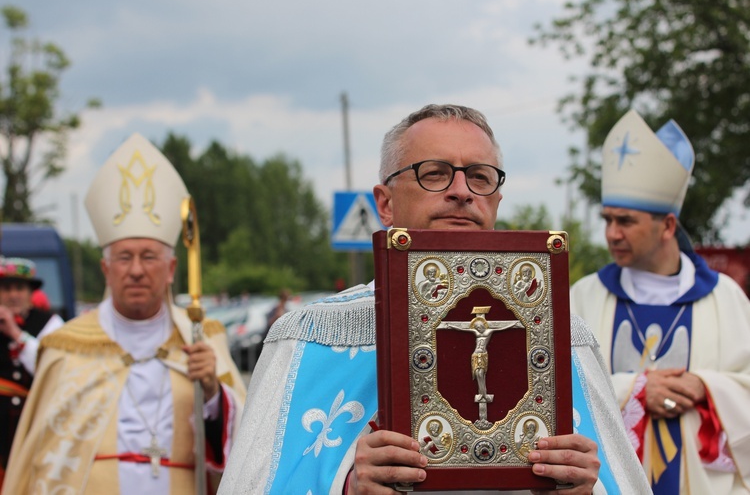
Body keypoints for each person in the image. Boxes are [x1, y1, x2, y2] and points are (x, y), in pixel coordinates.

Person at [219, 104, 650, 494]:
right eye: (436, 172)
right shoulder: (310, 338)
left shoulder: (560, 334)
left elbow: (619, 483)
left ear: (496, 201)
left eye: (479, 176)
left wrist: (581, 490)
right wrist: (349, 486)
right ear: (385, 204)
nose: (462, 190)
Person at [3, 133, 247, 495]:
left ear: (170, 269)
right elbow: (38, 458)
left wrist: (212, 391)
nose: (136, 270)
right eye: (124, 257)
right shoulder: (66, 348)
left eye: (149, 257)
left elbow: (249, 447)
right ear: (105, 268)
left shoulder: (202, 339)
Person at [570, 110, 750, 493]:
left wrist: (706, 387)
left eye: (626, 221)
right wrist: (633, 391)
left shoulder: (725, 297)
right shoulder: (583, 297)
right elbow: (558, 390)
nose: (611, 234)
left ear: (668, 226)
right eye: (607, 220)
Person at [0, 258, 64, 487]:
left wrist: (16, 334)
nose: (13, 295)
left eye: (20, 288)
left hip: (32, 419)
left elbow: (52, 367)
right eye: (6, 288)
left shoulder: (50, 323)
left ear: (30, 293)